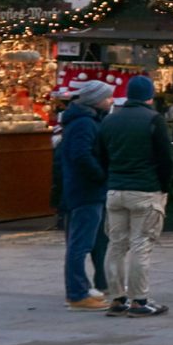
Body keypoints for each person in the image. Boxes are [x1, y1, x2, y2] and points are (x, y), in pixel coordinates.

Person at [96, 76, 173, 317]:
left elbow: (99, 155)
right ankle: (139, 301)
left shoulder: (110, 120)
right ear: (150, 96)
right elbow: (166, 159)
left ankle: (117, 298)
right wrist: (163, 187)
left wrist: (112, 177)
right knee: (141, 244)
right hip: (145, 189)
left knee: (116, 244)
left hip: (115, 190)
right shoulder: (154, 120)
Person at [58, 80, 114, 308]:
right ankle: (78, 293)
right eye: (107, 97)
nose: (111, 101)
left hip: (81, 189)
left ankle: (83, 288)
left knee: (84, 241)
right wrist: (100, 175)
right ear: (95, 100)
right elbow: (81, 156)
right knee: (80, 244)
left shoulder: (82, 121)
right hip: (86, 190)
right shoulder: (85, 124)